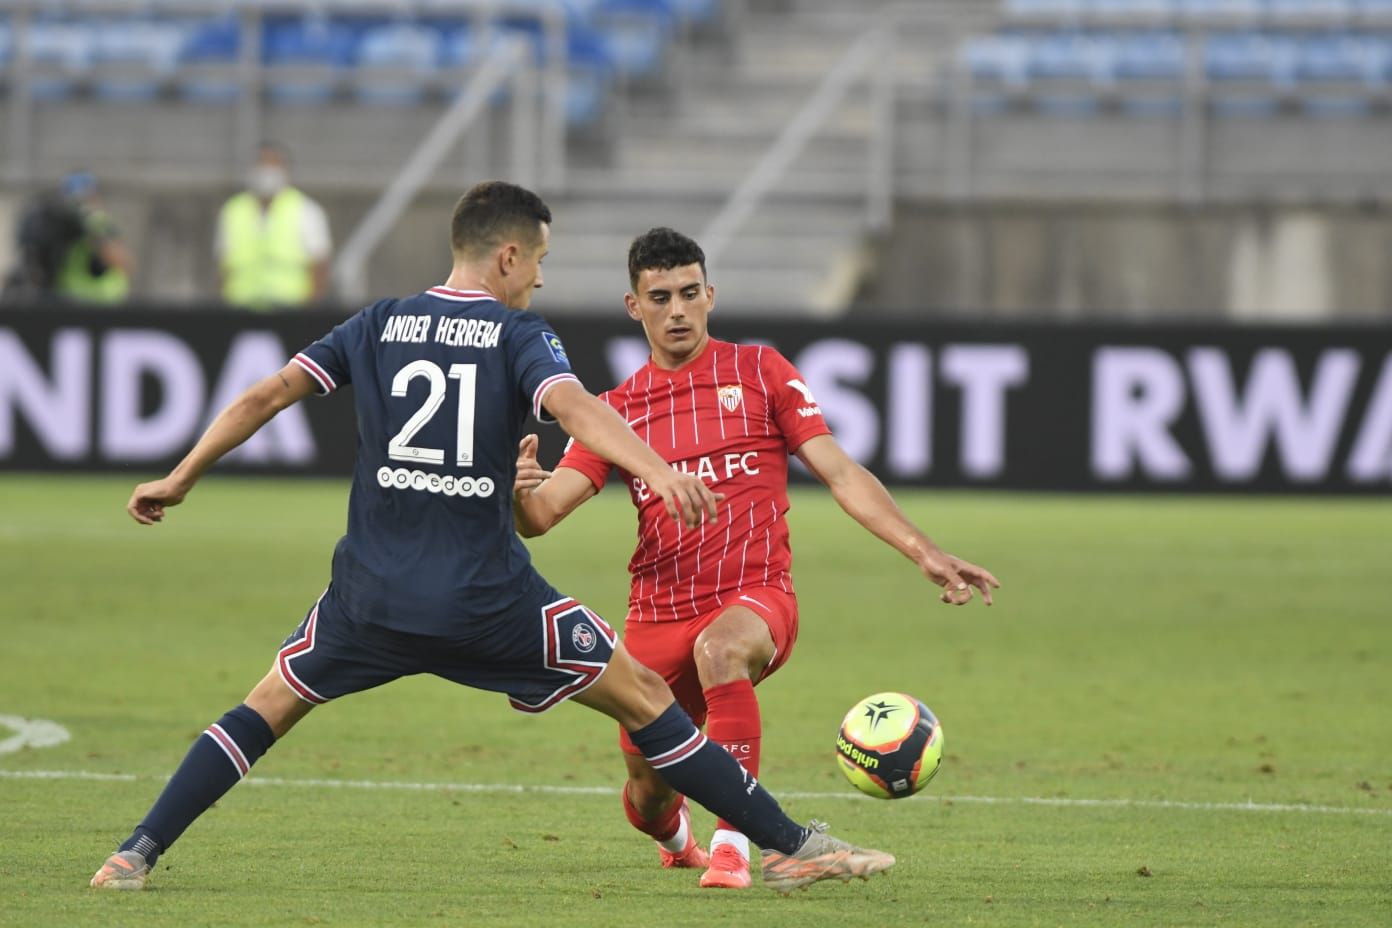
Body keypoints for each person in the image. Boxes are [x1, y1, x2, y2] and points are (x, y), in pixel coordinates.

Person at [90, 182, 893, 896]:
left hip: (368, 596)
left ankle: (134, 852)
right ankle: (789, 847)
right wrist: (660, 469)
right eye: (538, 259)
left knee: (264, 706)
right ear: (507, 255)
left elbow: (269, 393)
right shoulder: (518, 335)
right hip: (486, 600)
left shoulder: (377, 322)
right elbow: (576, 408)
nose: (539, 277)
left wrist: (182, 473)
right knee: (647, 701)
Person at [512, 227, 1000, 889]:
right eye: (660, 297)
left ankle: (743, 845)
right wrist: (518, 496)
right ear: (635, 307)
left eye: (689, 293)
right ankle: (677, 836)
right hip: (657, 610)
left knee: (722, 651)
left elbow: (840, 472)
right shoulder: (615, 411)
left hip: (754, 594)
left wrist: (923, 549)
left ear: (710, 295)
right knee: (647, 791)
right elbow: (542, 516)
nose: (677, 310)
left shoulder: (761, 372)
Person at [215, 141, 332, 310]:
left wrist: (310, 312)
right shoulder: (232, 211)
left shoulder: (305, 210)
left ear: (285, 170)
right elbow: (223, 268)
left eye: (273, 165)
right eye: (262, 164)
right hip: (241, 309)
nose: (267, 173)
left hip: (291, 310)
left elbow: (320, 267)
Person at [3, 172, 132, 303]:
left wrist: (91, 229)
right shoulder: (56, 225)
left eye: (85, 199)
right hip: (69, 301)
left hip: (103, 302)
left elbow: (122, 262)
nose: (80, 205)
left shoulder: (99, 224)